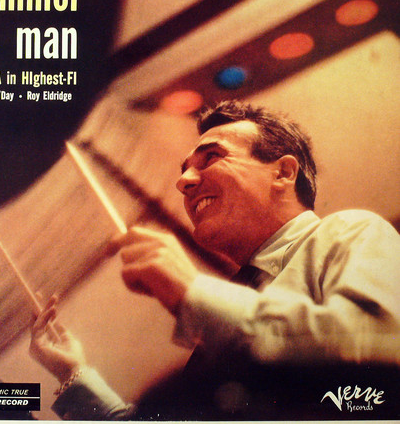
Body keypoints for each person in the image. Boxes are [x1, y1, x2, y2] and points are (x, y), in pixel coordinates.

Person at [30, 100, 400, 420]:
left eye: (212, 158)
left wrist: (193, 290)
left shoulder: (349, 230)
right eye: (184, 170)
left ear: (284, 173)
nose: (184, 182)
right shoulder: (224, 317)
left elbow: (379, 348)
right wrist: (73, 373)